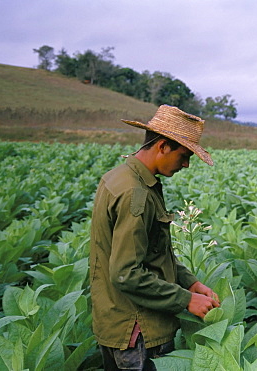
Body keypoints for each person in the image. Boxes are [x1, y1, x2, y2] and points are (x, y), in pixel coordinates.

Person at [90, 105, 220, 370]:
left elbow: (151, 251)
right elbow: (127, 273)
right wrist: (186, 299)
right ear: (162, 146)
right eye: (184, 155)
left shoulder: (119, 177)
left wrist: (190, 282)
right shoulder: (135, 193)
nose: (185, 164)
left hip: (117, 320)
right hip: (138, 330)